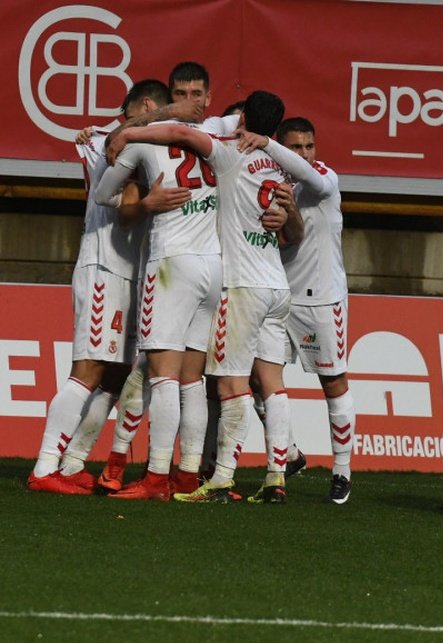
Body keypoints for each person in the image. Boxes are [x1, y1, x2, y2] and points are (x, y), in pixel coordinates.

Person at [109, 91, 335, 503]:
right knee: (272, 384)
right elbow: (298, 216)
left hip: (241, 284)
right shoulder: (282, 168)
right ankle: (275, 477)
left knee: (230, 384)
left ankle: (221, 480)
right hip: (276, 285)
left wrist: (129, 132)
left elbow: (181, 132)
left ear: (244, 116)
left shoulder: (230, 152)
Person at [28, 80, 191, 494]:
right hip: (104, 267)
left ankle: (73, 462)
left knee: (116, 374)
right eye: (171, 109)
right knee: (87, 369)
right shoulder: (110, 138)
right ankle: (45, 467)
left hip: (134, 272)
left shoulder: (131, 137)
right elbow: (125, 208)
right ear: (151, 107)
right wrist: (149, 205)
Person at [93, 97, 227, 501]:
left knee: (163, 375)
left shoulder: (139, 143)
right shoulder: (210, 138)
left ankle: (154, 480)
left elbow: (102, 195)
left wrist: (144, 203)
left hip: (171, 265)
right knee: (192, 379)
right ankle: (187, 478)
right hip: (213, 265)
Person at [273, 117, 356, 505]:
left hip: (322, 299)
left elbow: (313, 177)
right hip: (276, 296)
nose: (304, 154)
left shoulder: (324, 179)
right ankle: (289, 454)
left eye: (309, 146)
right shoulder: (266, 183)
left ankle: (342, 471)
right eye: (295, 147)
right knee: (261, 378)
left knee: (333, 383)